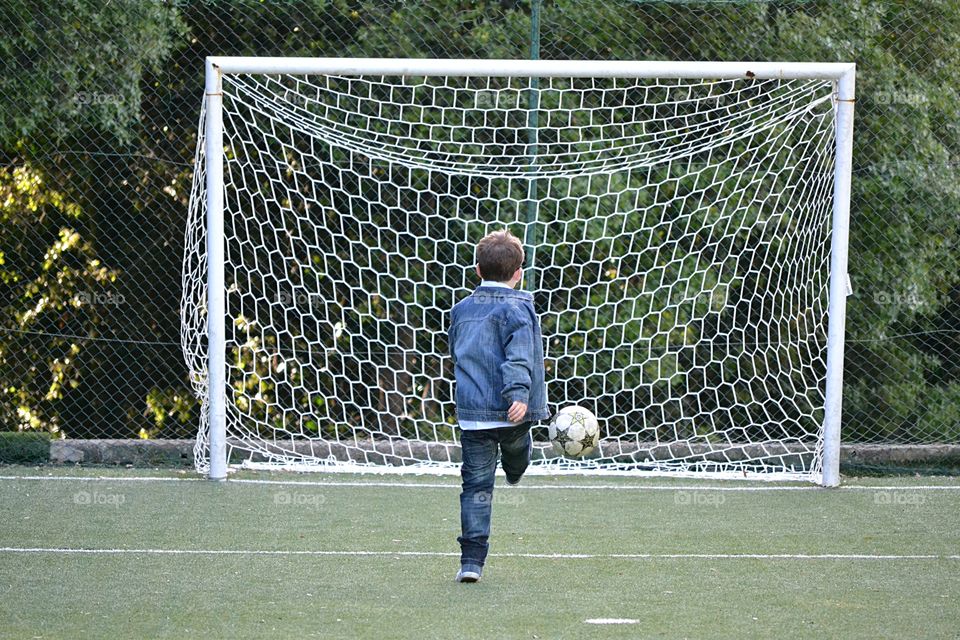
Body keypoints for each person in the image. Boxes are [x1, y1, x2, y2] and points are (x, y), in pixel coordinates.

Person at [447, 229, 550, 583]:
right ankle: (517, 465)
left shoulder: (460, 310)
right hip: (511, 414)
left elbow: (457, 353)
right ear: (519, 272)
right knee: (517, 448)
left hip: (473, 416)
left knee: (476, 489)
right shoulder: (519, 308)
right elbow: (519, 358)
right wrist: (519, 394)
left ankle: (471, 562)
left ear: (477, 270)